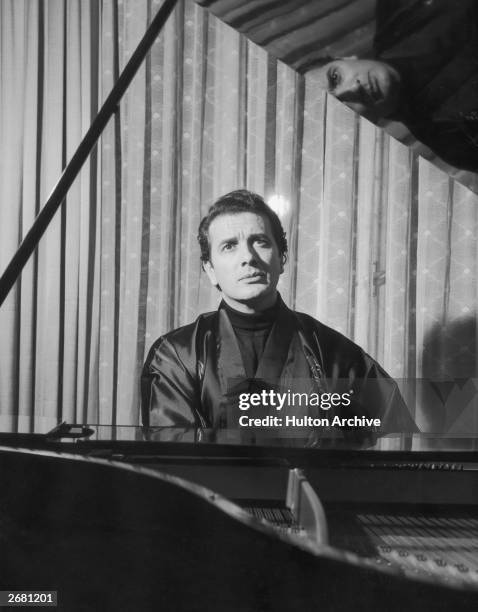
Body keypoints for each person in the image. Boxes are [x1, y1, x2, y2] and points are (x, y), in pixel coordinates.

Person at [141, 190, 416, 439]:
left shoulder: (330, 350)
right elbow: (172, 456)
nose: (248, 257)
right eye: (229, 246)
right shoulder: (176, 355)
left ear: (282, 259)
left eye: (260, 241)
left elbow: (397, 442)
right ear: (210, 269)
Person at [313, 0, 478, 172]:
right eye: (340, 108)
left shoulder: (397, 9)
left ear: (345, 58)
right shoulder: (454, 144)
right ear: (362, 125)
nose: (353, 88)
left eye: (335, 77)